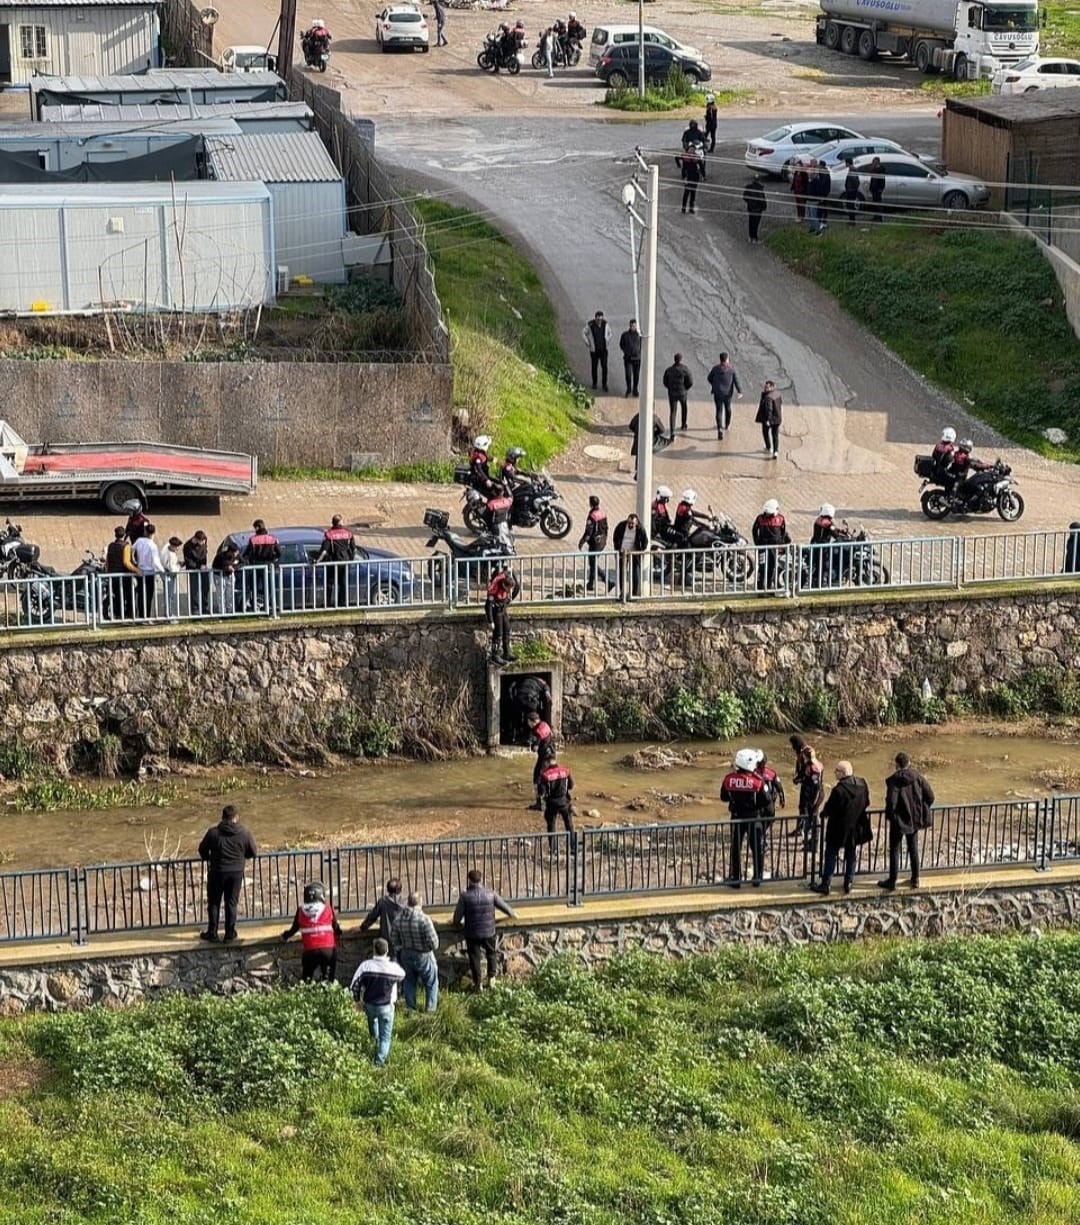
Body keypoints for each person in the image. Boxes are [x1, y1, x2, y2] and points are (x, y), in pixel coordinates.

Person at [197, 803, 257, 943]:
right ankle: (230, 933)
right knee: (231, 902)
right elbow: (253, 852)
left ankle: (212, 932)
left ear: (223, 817)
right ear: (236, 817)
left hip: (217, 871)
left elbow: (202, 850)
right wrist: (243, 857)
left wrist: (209, 858)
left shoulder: (213, 833)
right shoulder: (244, 833)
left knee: (214, 902)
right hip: (236, 872)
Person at [811, 760, 870, 896]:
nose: (834, 773)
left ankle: (826, 884)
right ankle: (848, 882)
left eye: (836, 770)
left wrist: (823, 814)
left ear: (843, 773)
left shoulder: (839, 790)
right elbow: (867, 802)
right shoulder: (862, 784)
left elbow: (830, 808)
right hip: (855, 826)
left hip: (838, 827)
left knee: (831, 854)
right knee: (851, 854)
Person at [452, 868, 516, 991]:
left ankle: (478, 983)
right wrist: (513, 914)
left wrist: (456, 923)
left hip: (472, 933)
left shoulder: (465, 897)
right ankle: (492, 978)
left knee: (474, 957)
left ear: (469, 881)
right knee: (491, 954)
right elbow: (505, 907)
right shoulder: (490, 893)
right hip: (489, 931)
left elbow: (457, 918)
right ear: (481, 880)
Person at [880, 752, 935, 891]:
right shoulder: (918, 777)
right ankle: (915, 879)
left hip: (898, 821)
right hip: (914, 819)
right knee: (913, 849)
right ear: (909, 763)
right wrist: (921, 808)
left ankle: (892, 881)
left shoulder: (894, 780)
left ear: (896, 765)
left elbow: (891, 802)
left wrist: (891, 816)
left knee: (894, 850)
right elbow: (931, 796)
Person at [350, 937, 405, 1066]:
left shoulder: (365, 966)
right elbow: (402, 975)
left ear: (374, 950)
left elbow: (355, 984)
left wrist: (357, 1000)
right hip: (386, 1006)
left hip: (369, 1004)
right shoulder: (393, 968)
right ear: (387, 951)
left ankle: (373, 1040)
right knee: (385, 1038)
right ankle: (378, 1063)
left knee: (372, 1022)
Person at [720, 748, 771, 887]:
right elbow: (767, 800)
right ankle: (757, 878)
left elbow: (723, 797)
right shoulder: (758, 782)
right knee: (756, 848)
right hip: (754, 818)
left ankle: (736, 879)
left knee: (736, 848)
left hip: (736, 818)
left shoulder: (729, 779)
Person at [281, 881, 342, 982]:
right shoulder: (328, 909)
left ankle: (307, 994)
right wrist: (339, 933)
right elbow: (335, 927)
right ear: (321, 896)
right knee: (328, 979)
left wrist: (284, 936)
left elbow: (294, 929)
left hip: (310, 950)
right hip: (328, 949)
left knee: (306, 979)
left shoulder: (301, 910)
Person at [390, 892, 440, 1012]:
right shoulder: (424, 919)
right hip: (423, 954)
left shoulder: (399, 918)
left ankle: (411, 1009)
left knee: (409, 982)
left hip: (406, 954)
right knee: (431, 982)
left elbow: (393, 939)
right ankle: (430, 1010)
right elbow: (434, 943)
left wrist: (401, 948)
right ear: (420, 902)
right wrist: (426, 948)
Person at [789, 734, 824, 850]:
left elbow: (816, 785)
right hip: (810, 790)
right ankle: (803, 831)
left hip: (813, 793)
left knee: (812, 815)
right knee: (804, 810)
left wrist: (813, 802)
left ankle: (812, 840)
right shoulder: (812, 762)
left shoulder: (812, 767)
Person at [315, 514, 357, 609]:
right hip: (345, 562)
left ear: (333, 523)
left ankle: (327, 604)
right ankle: (342, 603)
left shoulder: (329, 534)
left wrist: (317, 560)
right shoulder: (348, 533)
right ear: (340, 522)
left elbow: (324, 551)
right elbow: (354, 550)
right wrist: (351, 559)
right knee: (343, 583)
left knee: (329, 584)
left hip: (333, 562)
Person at [242, 519, 280, 613]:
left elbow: (246, 554)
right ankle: (268, 606)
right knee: (268, 586)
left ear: (257, 528)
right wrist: (273, 559)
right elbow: (279, 552)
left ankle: (254, 606)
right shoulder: (272, 539)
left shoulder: (253, 540)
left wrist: (244, 561)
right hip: (267, 565)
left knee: (253, 586)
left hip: (255, 565)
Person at [752, 498, 790, 592]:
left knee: (772, 568)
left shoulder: (780, 519)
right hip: (763, 548)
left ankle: (768, 588)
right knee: (762, 568)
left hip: (774, 548)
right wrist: (757, 543)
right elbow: (754, 530)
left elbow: (783, 533)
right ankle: (760, 588)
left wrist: (782, 544)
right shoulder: (760, 518)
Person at [485, 563, 520, 665]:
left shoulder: (508, 576)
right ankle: (494, 655)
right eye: (507, 589)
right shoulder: (494, 586)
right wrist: (490, 621)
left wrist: (509, 600)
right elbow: (488, 605)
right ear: (503, 585)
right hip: (496, 610)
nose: (509, 591)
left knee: (507, 629)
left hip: (503, 608)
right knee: (498, 633)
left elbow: (516, 585)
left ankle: (507, 652)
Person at [358, 878, 406, 952]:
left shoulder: (383, 902)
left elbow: (372, 917)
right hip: (403, 939)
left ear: (387, 889)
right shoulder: (405, 903)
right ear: (400, 889)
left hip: (387, 939)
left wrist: (362, 927)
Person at [707, 352, 742, 440]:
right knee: (728, 409)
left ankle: (719, 429)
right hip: (728, 394)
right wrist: (739, 391)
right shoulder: (732, 369)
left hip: (717, 393)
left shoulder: (715, 368)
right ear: (727, 359)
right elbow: (736, 381)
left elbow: (709, 378)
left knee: (719, 411)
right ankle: (726, 425)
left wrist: (715, 384)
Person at [131, 522, 163, 619]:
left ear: (145, 531)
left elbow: (132, 550)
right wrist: (163, 571)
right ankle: (146, 616)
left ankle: (141, 616)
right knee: (148, 596)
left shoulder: (139, 540)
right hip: (149, 573)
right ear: (153, 533)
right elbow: (156, 561)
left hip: (140, 571)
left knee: (141, 595)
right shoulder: (153, 546)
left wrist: (134, 562)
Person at [537, 751, 575, 832]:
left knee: (551, 826)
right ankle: (572, 843)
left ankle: (553, 844)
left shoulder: (545, 775)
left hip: (552, 804)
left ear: (547, 762)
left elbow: (542, 792)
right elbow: (571, 786)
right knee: (569, 824)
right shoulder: (565, 771)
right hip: (564, 802)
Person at [105, 524, 136, 621]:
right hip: (124, 576)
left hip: (113, 576)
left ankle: (118, 615)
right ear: (124, 535)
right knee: (129, 595)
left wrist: (107, 572)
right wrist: (137, 570)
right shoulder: (126, 546)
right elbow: (127, 562)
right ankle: (129, 615)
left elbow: (107, 561)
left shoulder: (110, 546)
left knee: (117, 595)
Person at [526, 709, 556, 809]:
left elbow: (535, 746)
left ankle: (540, 803)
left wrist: (532, 745)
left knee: (537, 778)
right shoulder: (545, 724)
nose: (528, 725)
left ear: (533, 721)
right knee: (549, 777)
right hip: (552, 755)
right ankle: (552, 797)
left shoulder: (537, 731)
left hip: (545, 758)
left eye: (529, 722)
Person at [613, 511, 647, 598]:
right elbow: (615, 537)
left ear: (636, 523)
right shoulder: (621, 526)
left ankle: (634, 593)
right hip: (622, 553)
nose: (630, 525)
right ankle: (622, 592)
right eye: (629, 523)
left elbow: (645, 541)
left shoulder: (640, 529)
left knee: (635, 572)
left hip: (634, 554)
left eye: (632, 524)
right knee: (622, 573)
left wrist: (640, 550)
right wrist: (617, 548)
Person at [578, 495, 608, 591]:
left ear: (591, 504)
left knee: (593, 563)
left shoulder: (592, 516)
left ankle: (606, 580)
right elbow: (606, 528)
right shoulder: (603, 513)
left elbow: (589, 532)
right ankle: (590, 584)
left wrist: (582, 541)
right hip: (602, 541)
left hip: (595, 543)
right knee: (593, 563)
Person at [511, 674, 552, 742]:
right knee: (533, 718)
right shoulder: (539, 681)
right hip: (531, 702)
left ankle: (515, 736)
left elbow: (512, 686)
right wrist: (547, 693)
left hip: (519, 699)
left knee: (519, 716)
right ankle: (531, 737)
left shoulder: (522, 679)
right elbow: (546, 686)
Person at [662, 353, 693, 442]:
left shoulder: (669, 370)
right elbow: (690, 381)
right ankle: (683, 424)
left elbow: (665, 382)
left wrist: (670, 387)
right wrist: (685, 388)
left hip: (672, 393)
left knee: (673, 412)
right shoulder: (685, 370)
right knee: (684, 407)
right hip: (682, 393)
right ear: (681, 360)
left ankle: (672, 433)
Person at [628, 412, 666, 478]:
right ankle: (643, 475)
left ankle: (638, 472)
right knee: (647, 457)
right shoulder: (654, 418)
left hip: (638, 440)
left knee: (639, 455)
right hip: (648, 441)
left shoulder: (638, 415)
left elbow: (631, 426)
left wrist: (637, 431)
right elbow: (662, 430)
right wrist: (654, 433)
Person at [808, 502, 838, 588]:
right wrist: (839, 535)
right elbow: (835, 533)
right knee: (825, 565)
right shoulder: (828, 523)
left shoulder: (819, 520)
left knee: (818, 564)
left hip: (815, 544)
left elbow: (834, 530)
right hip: (823, 547)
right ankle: (822, 582)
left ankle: (816, 580)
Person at [183, 529, 210, 617]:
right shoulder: (188, 546)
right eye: (201, 541)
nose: (203, 543)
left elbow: (204, 554)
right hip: (194, 570)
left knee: (205, 589)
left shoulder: (204, 543)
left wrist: (203, 566)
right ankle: (195, 610)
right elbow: (188, 561)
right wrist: (198, 566)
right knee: (194, 591)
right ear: (196, 539)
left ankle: (204, 607)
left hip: (203, 569)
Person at [583, 310, 611, 392]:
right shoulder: (590, 325)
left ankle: (604, 384)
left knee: (604, 367)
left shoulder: (605, 324)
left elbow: (610, 333)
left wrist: (607, 340)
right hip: (594, 351)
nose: (599, 321)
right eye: (598, 319)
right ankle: (594, 383)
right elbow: (584, 333)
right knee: (594, 367)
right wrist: (588, 343)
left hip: (603, 350)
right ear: (595, 318)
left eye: (600, 319)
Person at [755, 751, 786, 824]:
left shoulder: (752, 773)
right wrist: (782, 799)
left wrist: (782, 799)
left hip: (760, 802)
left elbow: (779, 787)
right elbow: (779, 787)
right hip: (768, 802)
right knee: (769, 820)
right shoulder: (771, 773)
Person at [755, 379, 782, 458]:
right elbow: (780, 404)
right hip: (777, 418)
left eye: (767, 387)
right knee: (775, 435)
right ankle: (775, 451)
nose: (765, 388)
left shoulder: (768, 397)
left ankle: (768, 447)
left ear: (772, 387)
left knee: (765, 433)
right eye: (765, 387)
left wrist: (768, 420)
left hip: (768, 419)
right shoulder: (778, 394)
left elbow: (768, 409)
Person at [211, 542, 240, 615]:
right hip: (220, 576)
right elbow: (216, 565)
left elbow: (244, 562)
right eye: (235, 552)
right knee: (221, 595)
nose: (236, 554)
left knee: (230, 594)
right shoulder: (221, 556)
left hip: (229, 576)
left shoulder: (237, 556)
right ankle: (223, 613)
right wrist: (227, 568)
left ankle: (230, 611)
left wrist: (234, 567)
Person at [678, 142, 705, 215]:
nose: (692, 151)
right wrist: (679, 166)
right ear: (688, 150)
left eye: (693, 149)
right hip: (688, 176)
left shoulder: (697, 157)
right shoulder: (685, 157)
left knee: (693, 193)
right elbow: (677, 158)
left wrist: (703, 175)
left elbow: (701, 167)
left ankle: (691, 208)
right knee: (686, 193)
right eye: (691, 149)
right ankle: (683, 208)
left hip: (695, 176)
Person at [162, 535, 183, 619]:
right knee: (169, 595)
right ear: (173, 546)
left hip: (165, 573)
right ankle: (168, 614)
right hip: (169, 576)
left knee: (168, 595)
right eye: (177, 547)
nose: (178, 549)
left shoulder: (166, 547)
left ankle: (168, 613)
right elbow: (173, 569)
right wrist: (179, 566)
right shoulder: (171, 555)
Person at [619, 319, 641, 397]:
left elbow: (642, 346)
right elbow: (621, 344)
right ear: (629, 326)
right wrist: (626, 351)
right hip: (628, 359)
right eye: (632, 326)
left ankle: (635, 389)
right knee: (628, 374)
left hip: (637, 359)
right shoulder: (625, 335)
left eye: (634, 326)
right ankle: (628, 388)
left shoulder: (639, 336)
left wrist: (639, 353)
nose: (633, 327)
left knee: (636, 375)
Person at [743, 173, 767, 243]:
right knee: (756, 224)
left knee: (751, 223)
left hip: (751, 208)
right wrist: (764, 206)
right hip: (758, 209)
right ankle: (755, 238)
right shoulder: (759, 189)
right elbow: (761, 199)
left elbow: (744, 197)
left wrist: (749, 202)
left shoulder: (749, 187)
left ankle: (750, 237)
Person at [808, 164, 831, 235]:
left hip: (814, 201)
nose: (809, 175)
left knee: (814, 216)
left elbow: (819, 191)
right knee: (811, 216)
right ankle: (812, 228)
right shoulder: (810, 181)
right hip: (810, 200)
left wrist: (820, 198)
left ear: (814, 174)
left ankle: (818, 231)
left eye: (810, 174)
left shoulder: (816, 182)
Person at [841, 158, 860, 227]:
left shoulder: (852, 170)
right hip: (851, 190)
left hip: (851, 191)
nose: (845, 164)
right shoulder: (851, 169)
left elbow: (855, 181)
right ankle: (851, 220)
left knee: (851, 206)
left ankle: (852, 221)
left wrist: (851, 189)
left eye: (846, 163)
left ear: (848, 163)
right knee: (850, 206)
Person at [868, 156, 886, 221]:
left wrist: (881, 188)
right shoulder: (874, 169)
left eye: (875, 162)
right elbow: (871, 176)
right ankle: (876, 216)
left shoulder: (881, 169)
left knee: (878, 203)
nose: (874, 163)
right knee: (875, 203)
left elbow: (882, 180)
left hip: (878, 188)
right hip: (873, 188)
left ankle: (880, 217)